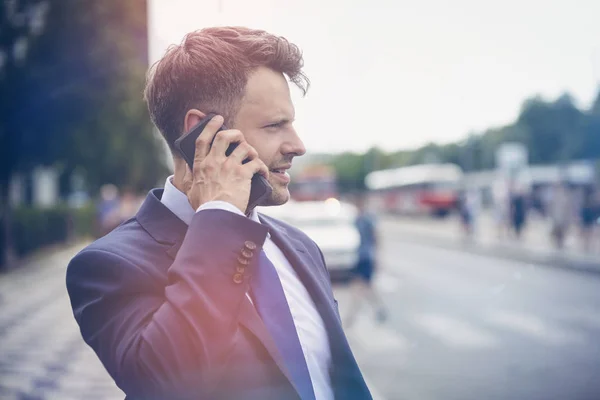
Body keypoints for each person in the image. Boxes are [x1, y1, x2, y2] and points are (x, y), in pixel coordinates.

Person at [66, 27, 371, 400]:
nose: (298, 145)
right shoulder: (106, 266)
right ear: (203, 132)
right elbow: (167, 385)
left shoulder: (301, 246)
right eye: (276, 125)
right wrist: (221, 213)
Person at [343, 194, 387, 328]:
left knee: (360, 288)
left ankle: (352, 316)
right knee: (364, 287)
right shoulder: (357, 219)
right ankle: (378, 309)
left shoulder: (367, 219)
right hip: (360, 256)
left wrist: (377, 257)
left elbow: (376, 237)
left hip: (366, 257)